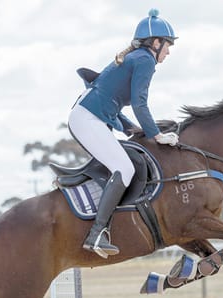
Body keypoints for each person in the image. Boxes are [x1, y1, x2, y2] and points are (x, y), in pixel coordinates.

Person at [68, 8, 179, 258]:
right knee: (125, 169)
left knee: (123, 163)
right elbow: (140, 103)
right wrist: (156, 136)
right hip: (88, 118)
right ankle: (97, 233)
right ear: (156, 42)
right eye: (168, 45)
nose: (169, 52)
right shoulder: (145, 60)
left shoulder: (138, 57)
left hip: (90, 115)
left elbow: (115, 105)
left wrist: (134, 130)